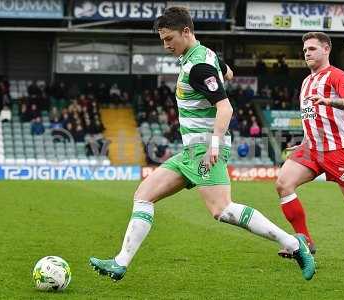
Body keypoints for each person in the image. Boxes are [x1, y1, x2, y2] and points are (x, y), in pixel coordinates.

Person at [89, 7, 315, 282]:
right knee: (144, 194)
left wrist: (214, 146)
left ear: (186, 32)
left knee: (222, 210)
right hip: (191, 151)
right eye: (162, 40)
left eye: (169, 38)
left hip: (205, 148)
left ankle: (294, 244)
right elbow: (228, 73)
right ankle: (120, 262)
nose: (166, 45)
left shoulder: (199, 66)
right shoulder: (204, 56)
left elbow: (226, 108)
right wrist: (219, 76)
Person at [276, 32, 344, 258]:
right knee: (283, 184)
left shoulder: (337, 76)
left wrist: (330, 100)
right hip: (312, 149)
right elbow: (310, 117)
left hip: (337, 151)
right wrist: (304, 142)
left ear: (326, 50)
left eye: (312, 49)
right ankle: (304, 243)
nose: (307, 53)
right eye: (305, 50)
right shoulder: (306, 82)